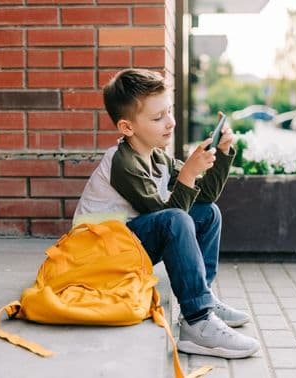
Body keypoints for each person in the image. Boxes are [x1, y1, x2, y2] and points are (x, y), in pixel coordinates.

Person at [73, 68, 260, 359]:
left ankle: (203, 298)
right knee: (176, 219)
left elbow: (204, 197)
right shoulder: (124, 164)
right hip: (99, 252)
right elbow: (169, 219)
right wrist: (187, 173)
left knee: (208, 212)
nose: (170, 122)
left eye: (169, 112)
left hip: (127, 240)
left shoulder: (157, 155)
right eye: (158, 117)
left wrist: (222, 154)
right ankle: (197, 322)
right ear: (127, 128)